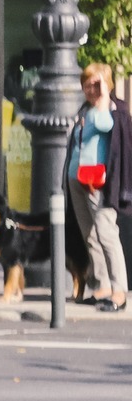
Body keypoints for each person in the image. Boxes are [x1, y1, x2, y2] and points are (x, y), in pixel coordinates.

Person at [69, 62, 130, 312]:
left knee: (107, 235)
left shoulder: (113, 110)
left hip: (100, 183)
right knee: (90, 236)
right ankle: (102, 286)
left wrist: (104, 97)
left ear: (107, 84)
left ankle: (119, 292)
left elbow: (106, 126)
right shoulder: (84, 110)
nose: (90, 89)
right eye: (87, 84)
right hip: (77, 179)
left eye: (96, 84)